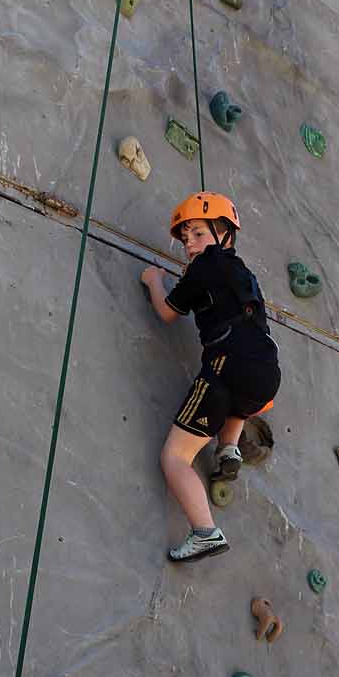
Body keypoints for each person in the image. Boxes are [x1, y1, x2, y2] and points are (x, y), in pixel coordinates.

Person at [140, 191, 281, 564]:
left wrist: (154, 281)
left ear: (225, 236)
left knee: (174, 458)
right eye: (186, 238)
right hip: (266, 371)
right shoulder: (245, 276)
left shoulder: (203, 268)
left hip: (226, 367)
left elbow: (168, 313)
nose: (190, 245)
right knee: (241, 400)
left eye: (198, 234)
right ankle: (228, 448)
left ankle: (205, 532)